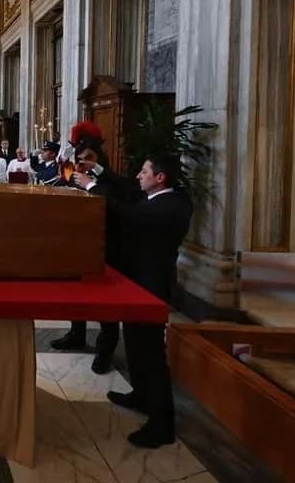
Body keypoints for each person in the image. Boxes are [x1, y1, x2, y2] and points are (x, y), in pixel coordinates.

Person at [72, 154, 192, 448]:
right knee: (135, 345)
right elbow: (125, 185)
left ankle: (163, 425)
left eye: (144, 171)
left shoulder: (173, 206)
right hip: (136, 282)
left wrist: (90, 187)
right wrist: (97, 171)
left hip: (152, 287)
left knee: (151, 354)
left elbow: (128, 213)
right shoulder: (154, 195)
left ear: (160, 178)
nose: (138, 175)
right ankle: (140, 395)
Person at [51, 135, 126, 374]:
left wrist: (91, 180)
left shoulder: (109, 181)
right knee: (77, 293)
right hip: (80, 243)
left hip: (107, 245)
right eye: (80, 159)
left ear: (98, 160)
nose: (82, 162)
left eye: (89, 159)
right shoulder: (74, 177)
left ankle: (105, 349)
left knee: (107, 301)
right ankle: (76, 333)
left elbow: (114, 204)